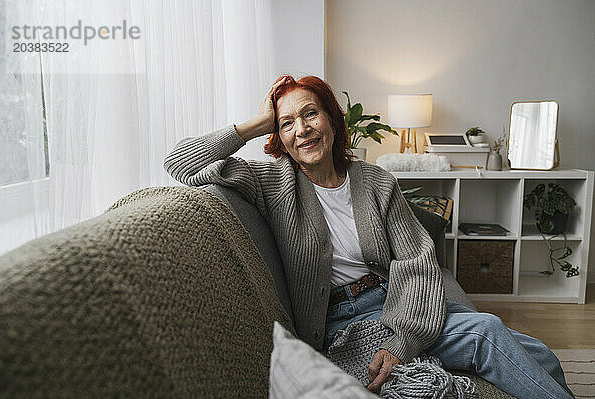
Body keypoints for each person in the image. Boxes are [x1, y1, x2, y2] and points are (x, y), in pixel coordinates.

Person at [163, 75, 573, 398]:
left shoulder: (375, 181)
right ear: (279, 137)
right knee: (486, 333)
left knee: (541, 355)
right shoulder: (271, 183)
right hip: (343, 321)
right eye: (287, 123)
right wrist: (260, 123)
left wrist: (404, 340)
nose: (302, 129)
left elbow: (416, 261)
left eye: (310, 114)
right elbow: (178, 162)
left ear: (332, 120)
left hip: (397, 302)